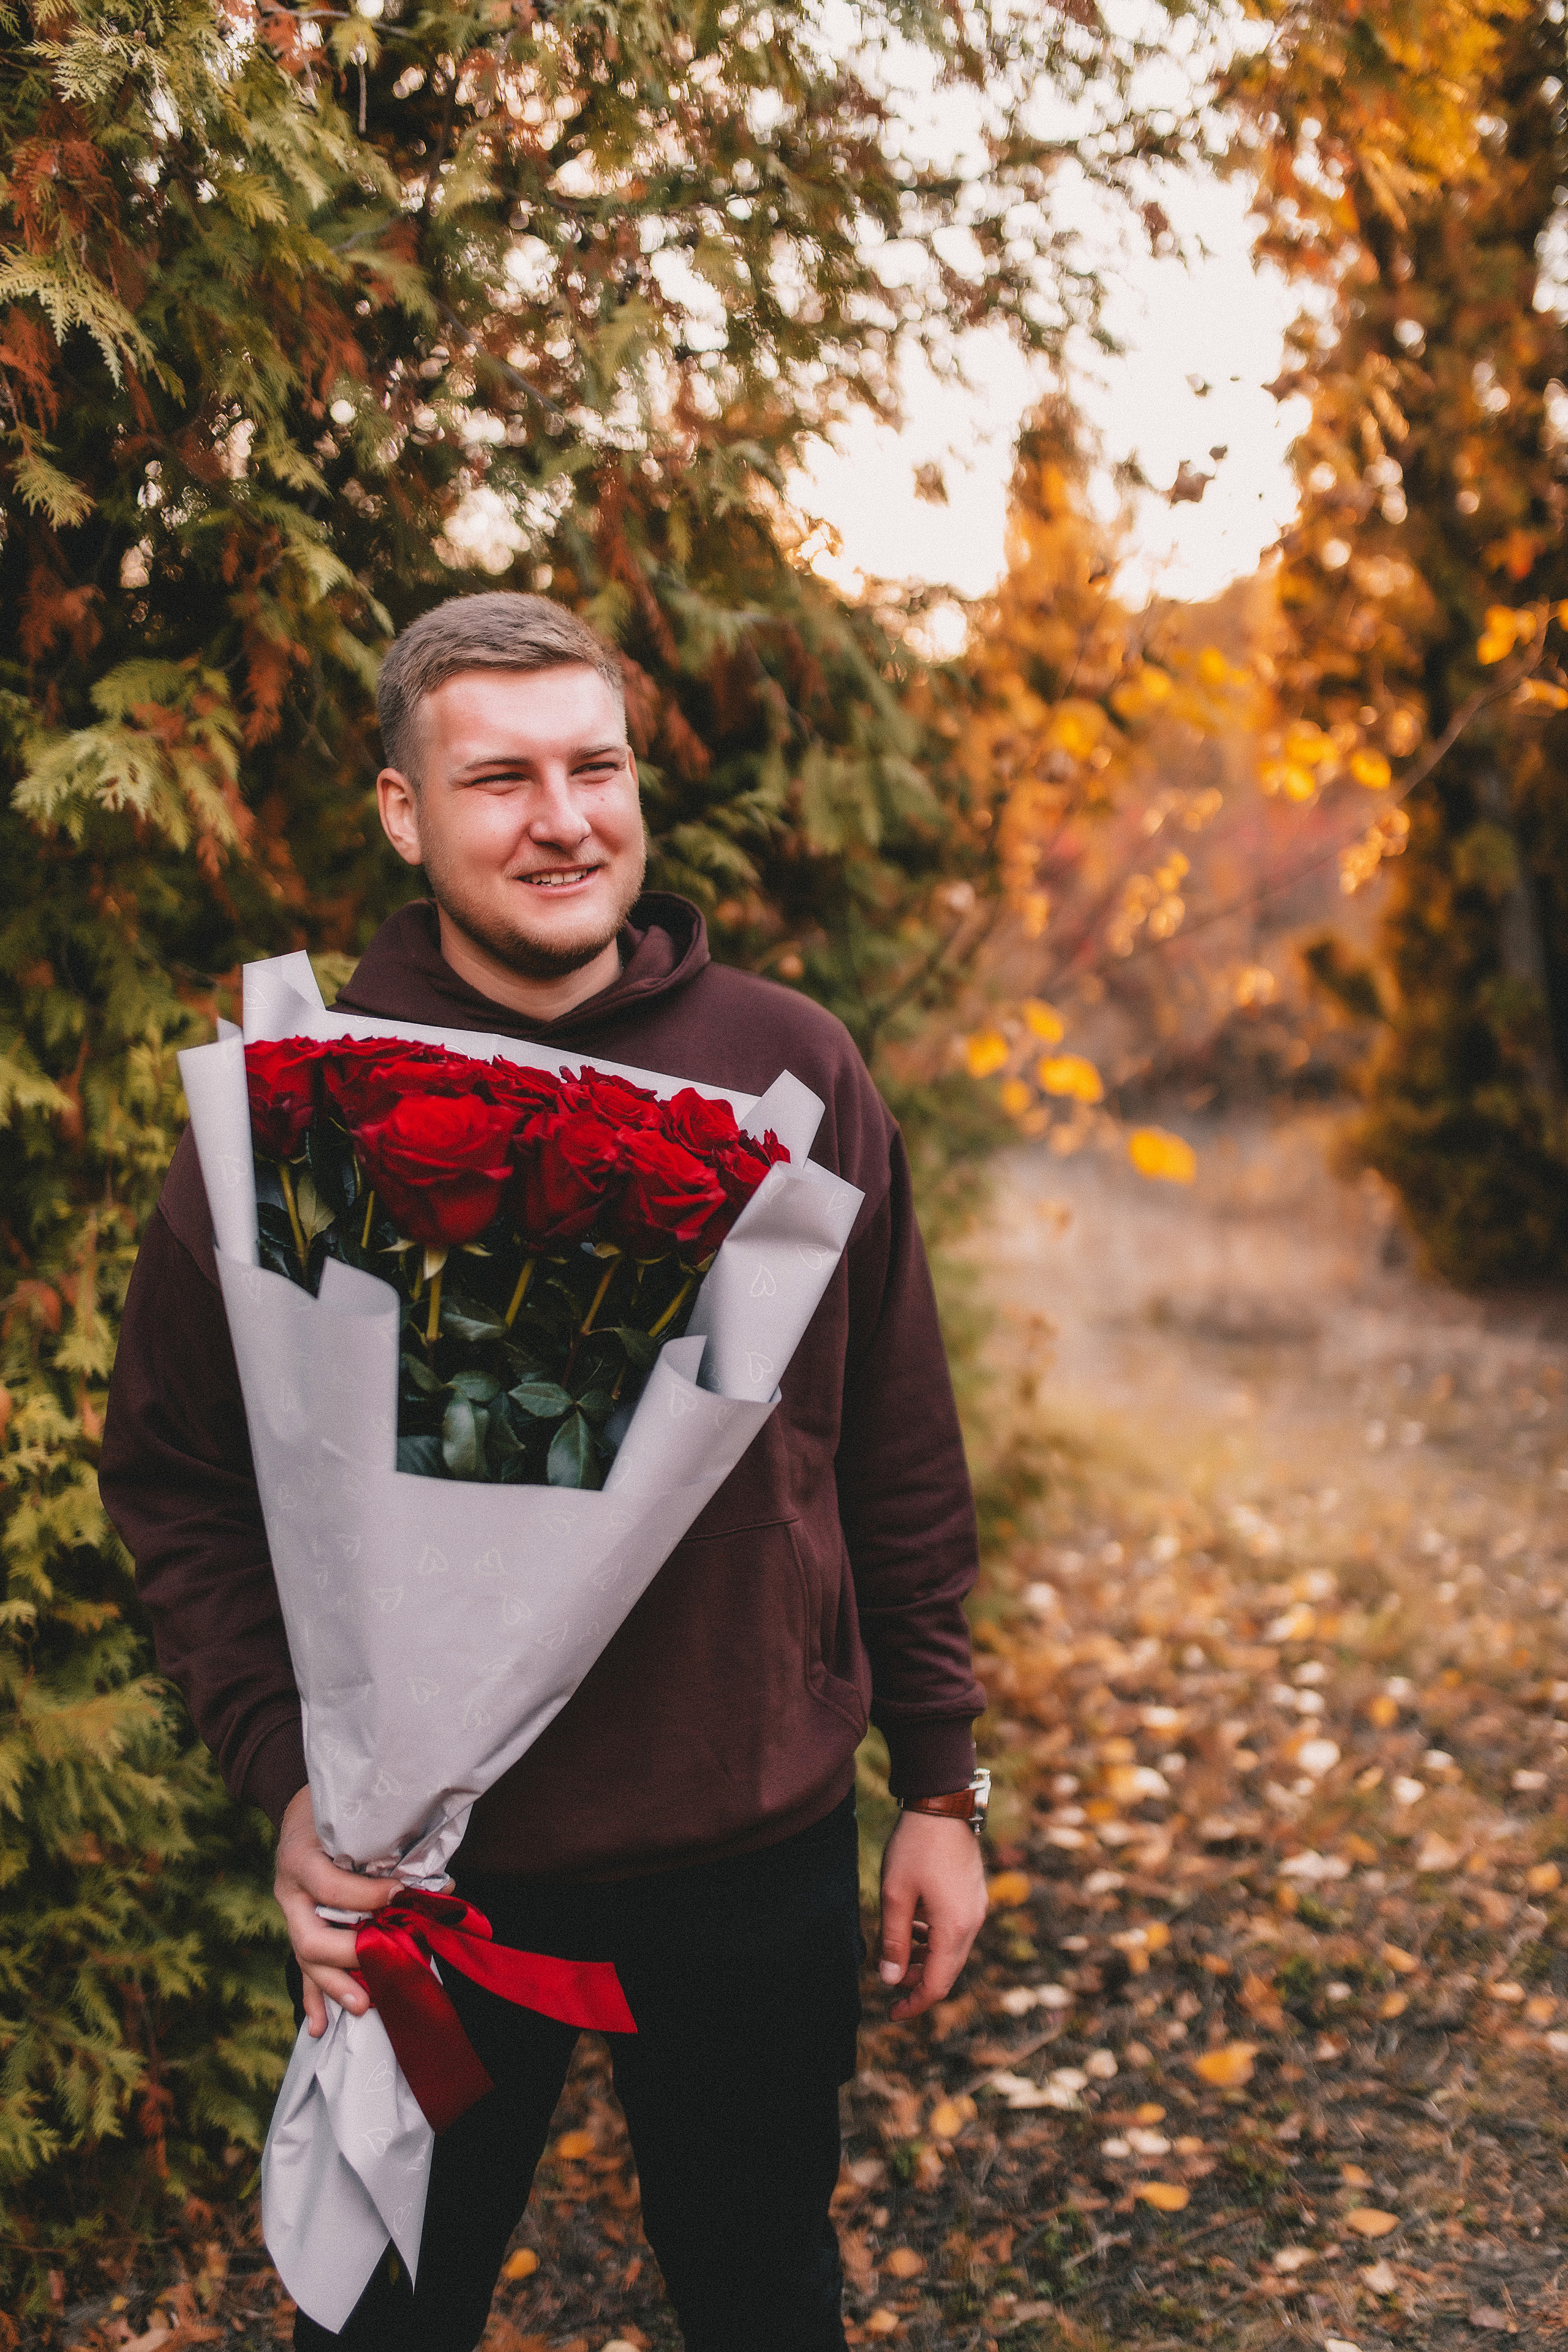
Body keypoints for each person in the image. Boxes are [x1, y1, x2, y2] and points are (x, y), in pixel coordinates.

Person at [100, 592, 989, 2352]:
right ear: (401, 812)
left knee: (763, 2299)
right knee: (377, 2325)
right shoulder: (303, 1115)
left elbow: (891, 1442)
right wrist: (285, 1777)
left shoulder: (789, 1067)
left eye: (596, 767)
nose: (563, 819)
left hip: (755, 1846)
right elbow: (178, 1479)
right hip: (434, 1885)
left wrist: (945, 1786)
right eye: (498, 778)